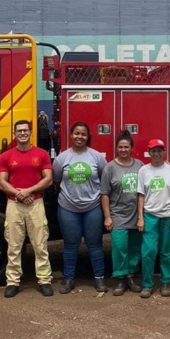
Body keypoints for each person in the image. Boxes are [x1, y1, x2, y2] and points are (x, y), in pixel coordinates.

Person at [0, 120, 54, 298]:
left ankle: (44, 280)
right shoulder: (6, 156)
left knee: (40, 243)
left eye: (25, 130)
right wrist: (19, 194)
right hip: (14, 205)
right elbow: (1, 182)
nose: (22, 133)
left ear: (31, 132)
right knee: (14, 244)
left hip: (35, 203)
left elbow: (49, 179)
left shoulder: (41, 154)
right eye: (19, 131)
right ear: (14, 134)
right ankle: (13, 281)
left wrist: (28, 191)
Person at [53, 122, 108, 294]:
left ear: (87, 136)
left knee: (95, 244)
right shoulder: (62, 158)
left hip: (93, 207)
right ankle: (69, 279)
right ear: (71, 135)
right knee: (70, 245)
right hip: (68, 208)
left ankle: (99, 279)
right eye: (76, 133)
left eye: (83, 134)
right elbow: (56, 180)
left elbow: (103, 179)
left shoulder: (97, 157)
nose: (79, 137)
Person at [137, 138, 170, 298]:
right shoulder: (144, 171)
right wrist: (140, 218)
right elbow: (141, 195)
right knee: (148, 251)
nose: (157, 153)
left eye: (159, 150)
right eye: (154, 151)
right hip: (150, 216)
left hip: (168, 216)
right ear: (149, 152)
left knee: (166, 251)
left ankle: (165, 282)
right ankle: (147, 284)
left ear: (164, 152)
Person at [100, 130, 143, 296]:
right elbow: (104, 194)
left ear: (132, 148)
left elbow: (143, 191)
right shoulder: (109, 168)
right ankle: (120, 278)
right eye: (120, 147)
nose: (123, 150)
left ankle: (131, 276)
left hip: (136, 214)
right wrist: (107, 216)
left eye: (126, 147)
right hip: (117, 214)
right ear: (116, 148)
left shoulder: (139, 165)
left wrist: (141, 215)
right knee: (119, 247)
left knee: (134, 247)